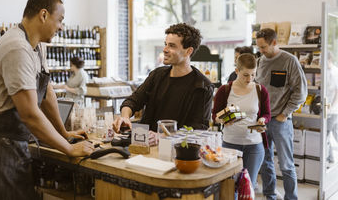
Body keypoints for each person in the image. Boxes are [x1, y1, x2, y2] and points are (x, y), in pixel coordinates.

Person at [0, 0, 94, 200]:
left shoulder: (36, 47)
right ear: (43, 15)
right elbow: (29, 114)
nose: (61, 27)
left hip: (5, 145)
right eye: (59, 20)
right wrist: (68, 150)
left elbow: (47, 93)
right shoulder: (17, 48)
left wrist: (64, 133)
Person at [112, 23, 214, 145]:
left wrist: (162, 136)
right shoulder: (157, 75)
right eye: (165, 44)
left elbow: (198, 128)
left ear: (188, 51)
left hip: (177, 151)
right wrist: (125, 117)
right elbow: (133, 101)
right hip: (144, 146)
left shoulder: (202, 86)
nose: (165, 49)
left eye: (172, 46)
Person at [255, 28, 307, 200]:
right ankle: (270, 195)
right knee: (265, 162)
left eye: (263, 47)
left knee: (286, 165)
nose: (261, 51)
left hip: (280, 121)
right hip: (262, 120)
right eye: (259, 47)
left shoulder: (289, 61)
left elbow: (301, 93)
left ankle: (291, 198)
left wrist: (284, 114)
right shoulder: (261, 61)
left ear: (274, 43)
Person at [213, 53, 271, 189]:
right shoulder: (225, 90)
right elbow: (215, 115)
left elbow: (267, 114)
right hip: (230, 144)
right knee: (230, 186)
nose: (249, 78)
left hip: (254, 145)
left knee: (248, 186)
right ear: (237, 71)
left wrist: (262, 120)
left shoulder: (260, 90)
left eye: (253, 74)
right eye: (245, 75)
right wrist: (223, 120)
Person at [326, 51, 338, 164]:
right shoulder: (327, 71)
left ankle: (330, 158)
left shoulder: (334, 71)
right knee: (333, 132)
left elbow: (337, 92)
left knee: (326, 133)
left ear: (329, 59)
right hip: (329, 109)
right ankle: (331, 158)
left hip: (332, 110)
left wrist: (331, 107)